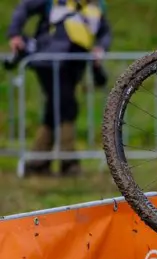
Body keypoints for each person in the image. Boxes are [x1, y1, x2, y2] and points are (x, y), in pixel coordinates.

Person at [7, 0, 111, 176]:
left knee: (54, 109)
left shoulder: (97, 6)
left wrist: (101, 48)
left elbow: (104, 32)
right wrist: (15, 34)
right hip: (49, 60)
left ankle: (38, 162)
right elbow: (24, 8)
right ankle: (68, 161)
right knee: (67, 106)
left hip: (75, 63)